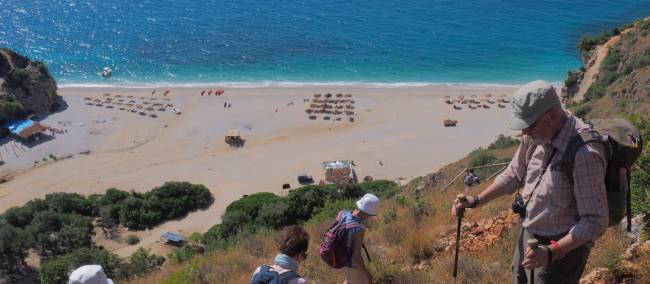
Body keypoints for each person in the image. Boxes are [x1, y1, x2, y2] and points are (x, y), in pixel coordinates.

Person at [450, 81, 608, 284]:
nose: (524, 132)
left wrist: (552, 251)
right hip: (529, 234)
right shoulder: (536, 135)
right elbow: (514, 174)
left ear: (551, 116)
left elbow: (595, 220)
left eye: (529, 125)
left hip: (562, 248)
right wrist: (476, 200)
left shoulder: (585, 153)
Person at [339, 193, 380, 284]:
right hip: (352, 265)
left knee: (348, 280)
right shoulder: (358, 229)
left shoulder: (343, 214)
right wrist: (368, 274)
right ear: (367, 213)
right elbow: (356, 257)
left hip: (340, 260)